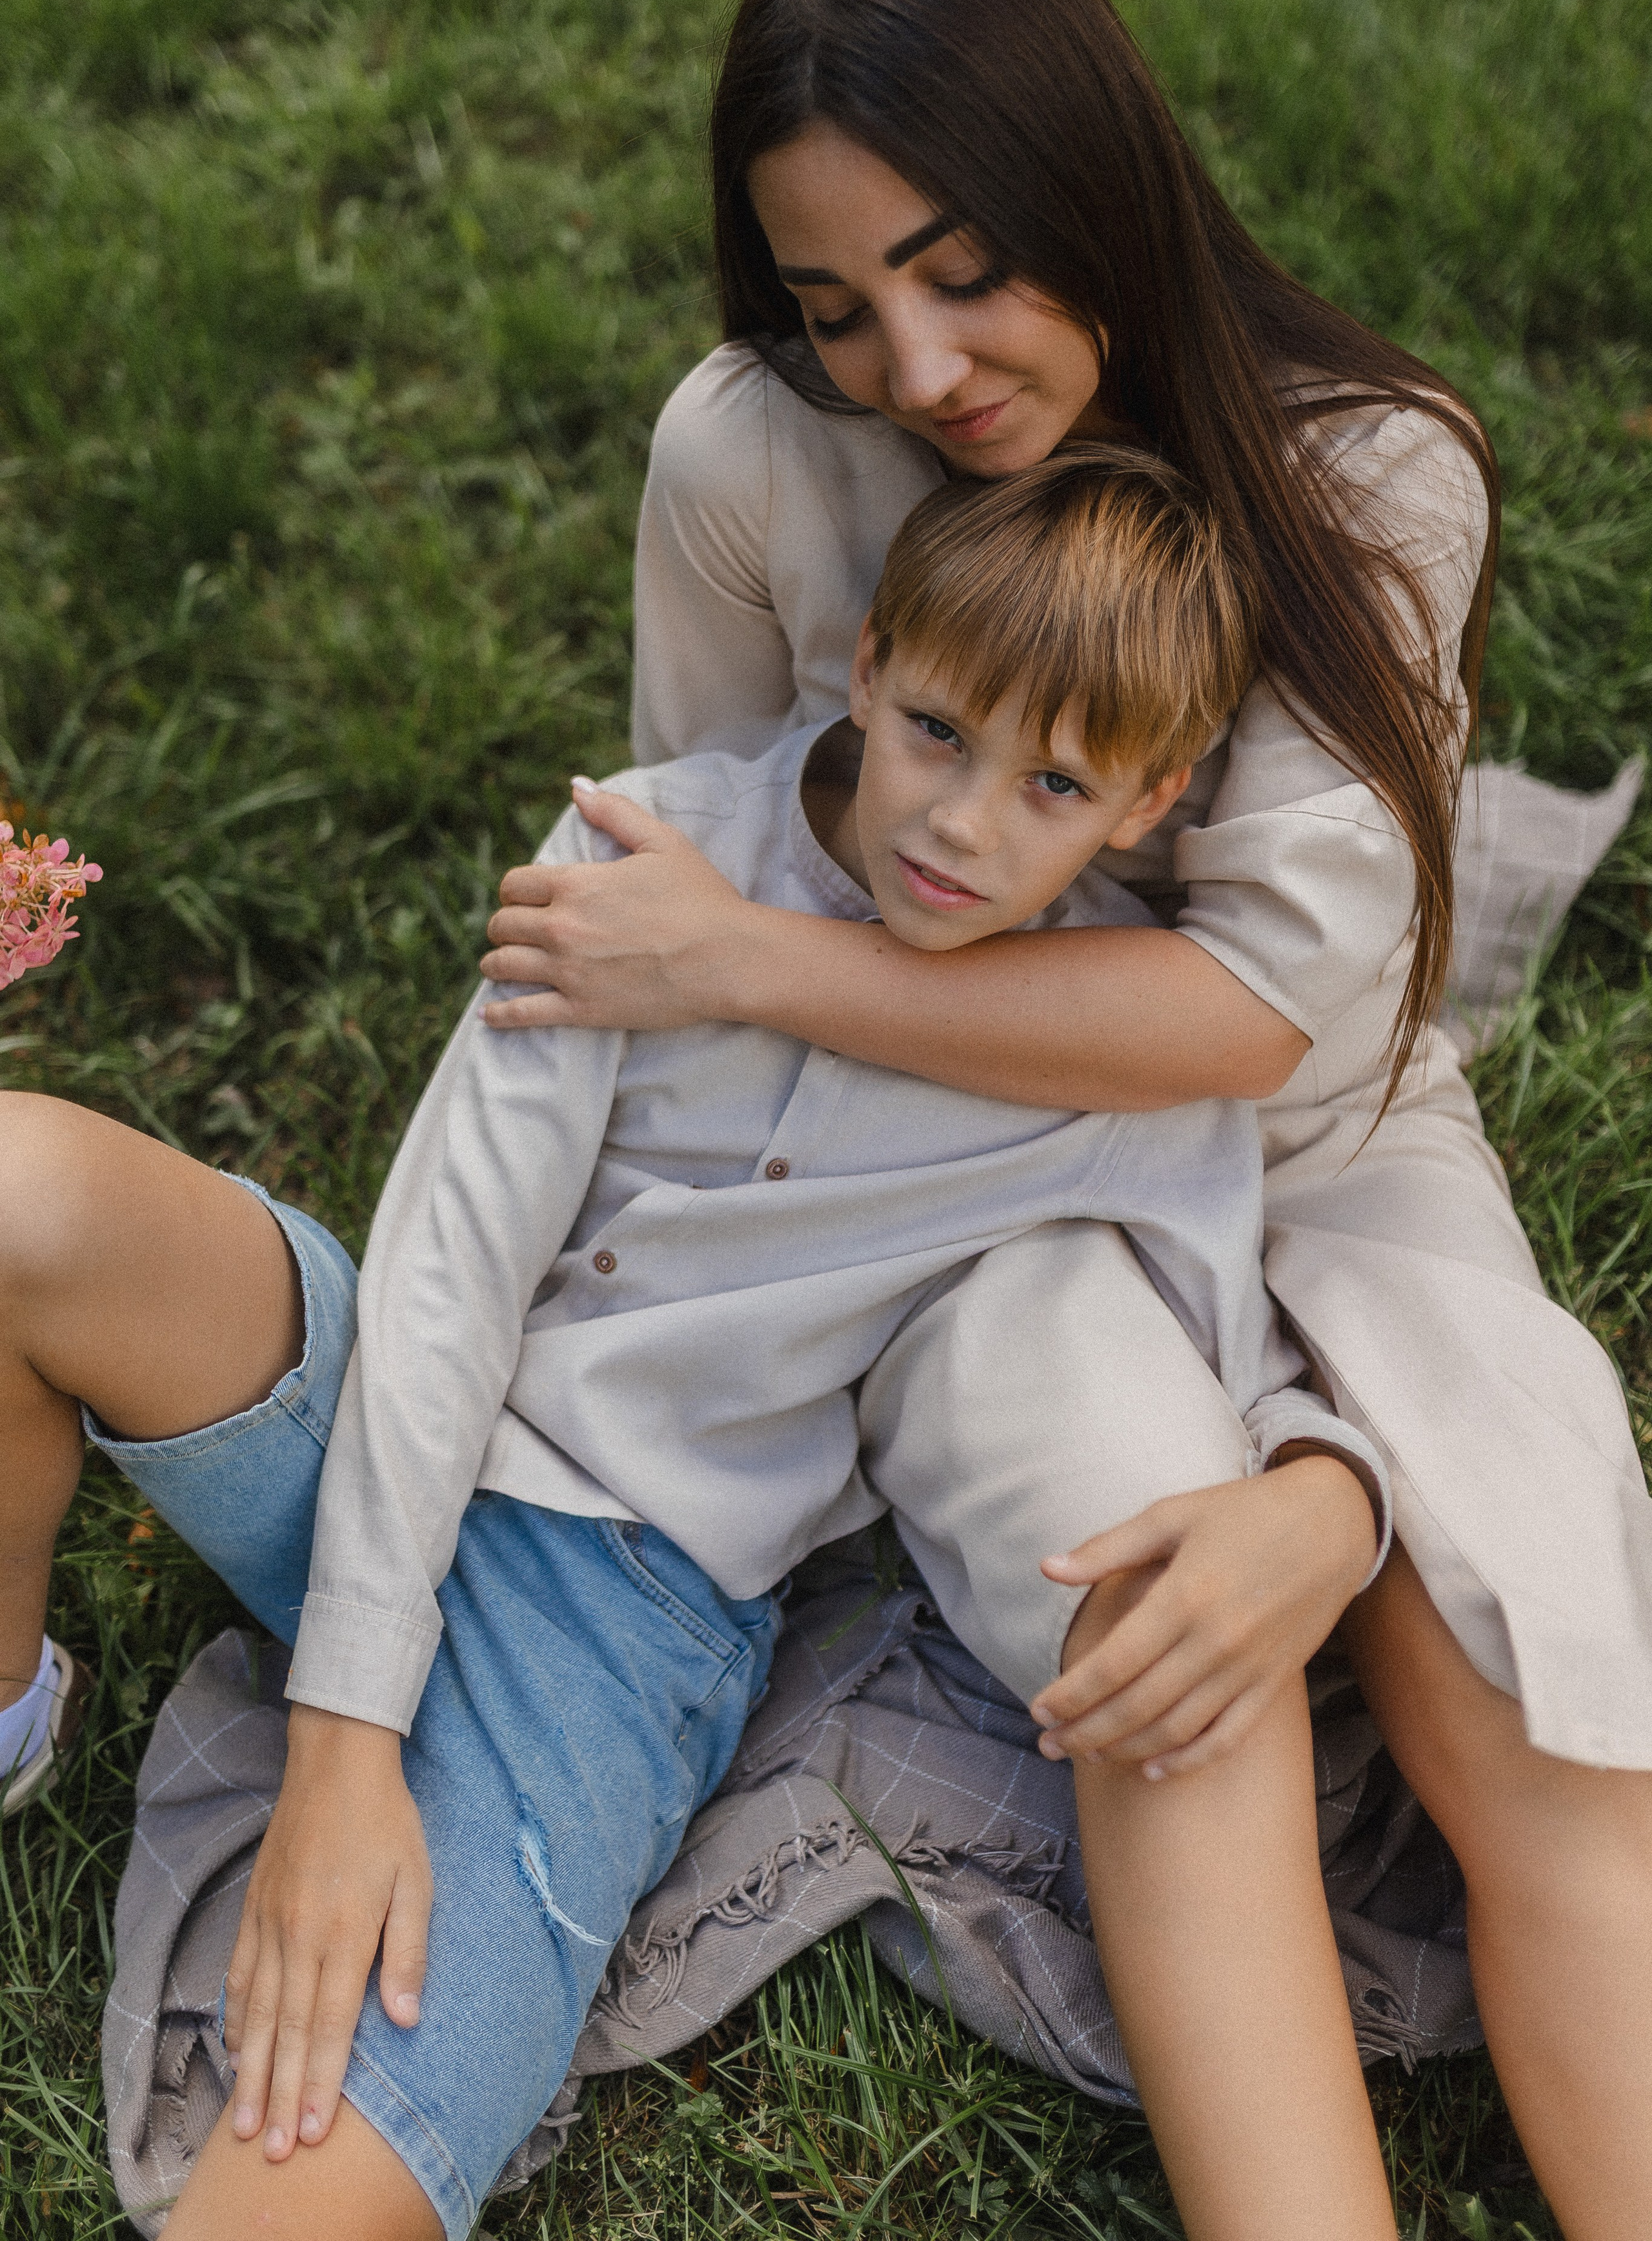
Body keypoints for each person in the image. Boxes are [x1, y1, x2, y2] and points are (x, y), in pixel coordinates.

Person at [476, 0, 1652, 2241]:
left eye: (963, 270)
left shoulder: (1373, 472)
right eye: (836, 305)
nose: (915, 373)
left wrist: (742, 969)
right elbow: (708, 848)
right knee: (1162, 1634)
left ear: (1086, 182)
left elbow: (1262, 1015)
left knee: (1536, 1696)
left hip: (1326, 1149)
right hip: (961, 1182)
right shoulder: (748, 457)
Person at [1, 448, 1390, 2240]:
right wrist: (343, 1748)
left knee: (293, 2192)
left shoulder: (1111, 1064)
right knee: (26, 1188)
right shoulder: (642, 856)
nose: (964, 826)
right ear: (874, 660)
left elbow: (1230, 1323)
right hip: (375, 1410)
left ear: (1151, 801)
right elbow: (446, 1275)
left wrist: (1321, 1482)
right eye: (943, 730)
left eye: (1056, 784)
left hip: (613, 1604)